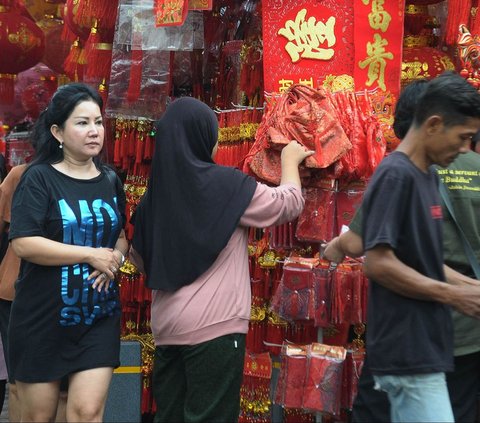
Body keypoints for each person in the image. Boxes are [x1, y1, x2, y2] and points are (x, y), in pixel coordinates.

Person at [128, 97, 313, 422]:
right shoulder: (227, 186)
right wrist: (289, 161)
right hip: (215, 328)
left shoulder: (151, 201)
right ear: (203, 138)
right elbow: (286, 204)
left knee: (169, 416)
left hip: (168, 328)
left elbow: (141, 261)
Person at [325, 77, 480, 423]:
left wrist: (470, 288)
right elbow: (378, 264)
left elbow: (423, 261)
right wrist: (454, 296)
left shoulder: (429, 175)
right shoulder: (396, 175)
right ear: (434, 125)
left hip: (427, 348)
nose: (466, 148)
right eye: (463, 137)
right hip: (407, 352)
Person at [8, 82, 128, 422]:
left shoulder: (109, 180)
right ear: (57, 131)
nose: (94, 131)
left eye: (99, 122)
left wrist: (115, 257)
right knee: (38, 416)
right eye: (82, 123)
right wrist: (88, 255)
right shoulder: (38, 179)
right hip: (43, 318)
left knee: (86, 412)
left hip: (98, 317)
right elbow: (24, 243)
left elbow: (120, 237)